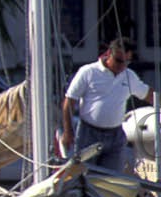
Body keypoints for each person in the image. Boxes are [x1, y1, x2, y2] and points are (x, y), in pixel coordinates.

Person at [62, 37, 154, 175]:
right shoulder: (88, 72)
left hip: (115, 135)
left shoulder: (129, 76)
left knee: (112, 179)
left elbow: (149, 95)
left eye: (127, 62)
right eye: (119, 61)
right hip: (89, 134)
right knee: (85, 176)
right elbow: (69, 102)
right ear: (109, 53)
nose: (122, 66)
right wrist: (68, 131)